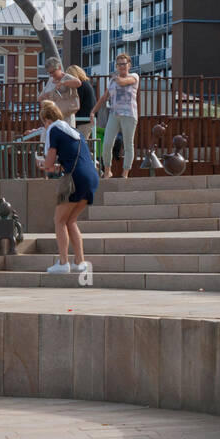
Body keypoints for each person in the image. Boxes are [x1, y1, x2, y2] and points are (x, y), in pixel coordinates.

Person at [38, 99, 96, 275]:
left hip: (76, 178)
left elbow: (49, 164)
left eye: (44, 123)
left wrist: (43, 164)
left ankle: (63, 263)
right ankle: (80, 262)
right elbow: (70, 160)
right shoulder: (73, 130)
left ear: (46, 119)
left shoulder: (54, 129)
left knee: (59, 220)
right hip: (91, 177)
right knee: (70, 220)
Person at [91, 52, 140, 179]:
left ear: (129, 65)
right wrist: (93, 111)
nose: (122, 66)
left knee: (128, 144)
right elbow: (104, 97)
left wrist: (118, 79)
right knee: (107, 143)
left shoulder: (134, 76)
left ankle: (125, 173)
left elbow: (126, 81)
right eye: (119, 64)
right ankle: (108, 170)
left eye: (124, 64)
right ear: (116, 66)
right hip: (114, 114)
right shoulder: (112, 81)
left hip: (129, 114)